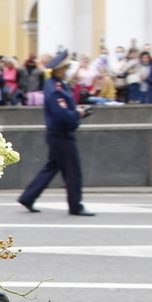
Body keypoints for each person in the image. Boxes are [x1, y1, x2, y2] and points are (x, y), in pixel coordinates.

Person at [17, 50, 95, 216]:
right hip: (61, 134)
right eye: (66, 67)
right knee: (72, 170)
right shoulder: (55, 87)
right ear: (59, 69)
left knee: (52, 167)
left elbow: (65, 108)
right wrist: (78, 114)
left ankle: (28, 197)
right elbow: (62, 115)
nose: (68, 70)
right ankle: (75, 205)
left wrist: (76, 110)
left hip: (58, 133)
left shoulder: (59, 84)